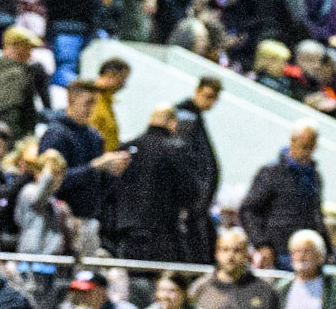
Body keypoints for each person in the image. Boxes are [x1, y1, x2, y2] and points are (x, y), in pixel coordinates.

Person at [37, 80, 128, 225]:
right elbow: (50, 182)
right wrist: (93, 167)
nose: (92, 108)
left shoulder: (95, 137)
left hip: (89, 219)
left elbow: (99, 188)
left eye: (95, 103)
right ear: (71, 99)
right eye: (88, 102)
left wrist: (113, 172)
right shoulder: (56, 134)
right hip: (60, 220)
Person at [114, 105, 197, 263]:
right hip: (162, 234)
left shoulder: (126, 149)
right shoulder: (177, 150)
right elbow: (190, 191)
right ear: (172, 123)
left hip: (126, 232)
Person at [243, 122, 326, 271]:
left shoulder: (314, 177)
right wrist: (261, 244)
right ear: (293, 141)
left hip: (306, 254)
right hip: (277, 253)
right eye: (304, 146)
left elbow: (317, 216)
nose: (308, 152)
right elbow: (249, 210)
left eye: (312, 147)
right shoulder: (271, 173)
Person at [175, 75, 222, 264]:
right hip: (191, 205)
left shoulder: (194, 117)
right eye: (207, 96)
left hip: (197, 204)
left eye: (214, 98)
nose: (210, 102)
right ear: (197, 91)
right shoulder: (186, 117)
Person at [0, 26, 41, 143]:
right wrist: (12, 146)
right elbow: (8, 114)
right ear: (16, 48)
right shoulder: (15, 75)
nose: (30, 53)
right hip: (2, 145)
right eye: (27, 48)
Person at [88, 57, 130, 152]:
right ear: (110, 75)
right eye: (122, 79)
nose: (124, 85)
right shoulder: (91, 97)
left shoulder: (107, 101)